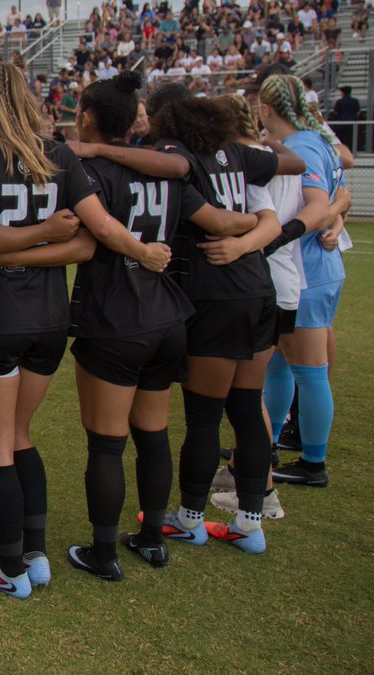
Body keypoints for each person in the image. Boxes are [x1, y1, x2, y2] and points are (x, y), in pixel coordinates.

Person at [63, 74, 256, 577]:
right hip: (167, 315)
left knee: (106, 442)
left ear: (87, 117)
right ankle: (152, 539)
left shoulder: (90, 169)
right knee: (151, 435)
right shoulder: (166, 170)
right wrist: (261, 223)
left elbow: (86, 236)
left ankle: (103, 554)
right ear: (134, 121)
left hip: (114, 317)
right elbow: (215, 218)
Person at [0, 62, 100, 600]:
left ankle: (12, 569)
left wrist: (16, 246)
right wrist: (41, 246)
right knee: (19, 435)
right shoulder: (58, 155)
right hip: (48, 318)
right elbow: (81, 243)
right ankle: (34, 555)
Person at [143, 85, 302, 555]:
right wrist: (265, 143)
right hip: (258, 286)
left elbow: (209, 218)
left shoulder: (180, 160)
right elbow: (296, 163)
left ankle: (191, 518)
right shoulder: (233, 151)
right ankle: (250, 523)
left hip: (216, 291)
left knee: (205, 414)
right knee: (248, 407)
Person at [259, 75, 347, 490]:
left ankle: (314, 461)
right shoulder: (318, 141)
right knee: (280, 362)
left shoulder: (302, 147)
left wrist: (287, 232)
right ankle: (268, 442)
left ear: (266, 108)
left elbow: (319, 203)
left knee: (310, 371)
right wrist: (331, 220)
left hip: (307, 271)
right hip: (315, 270)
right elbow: (340, 196)